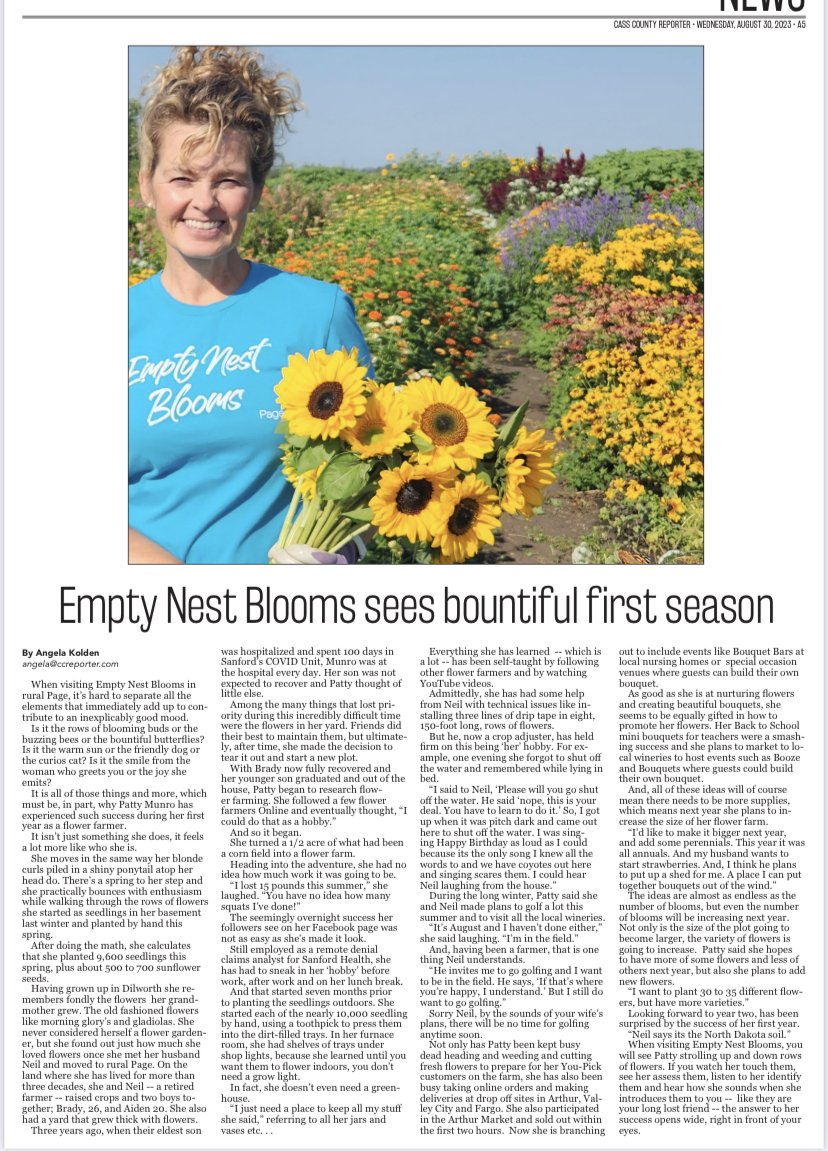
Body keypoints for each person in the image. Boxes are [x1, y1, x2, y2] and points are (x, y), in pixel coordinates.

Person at [129, 46, 373, 564]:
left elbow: (368, 468)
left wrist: (342, 552)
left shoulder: (318, 313)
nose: (205, 201)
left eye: (229, 180)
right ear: (146, 187)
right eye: (182, 178)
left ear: (257, 191)